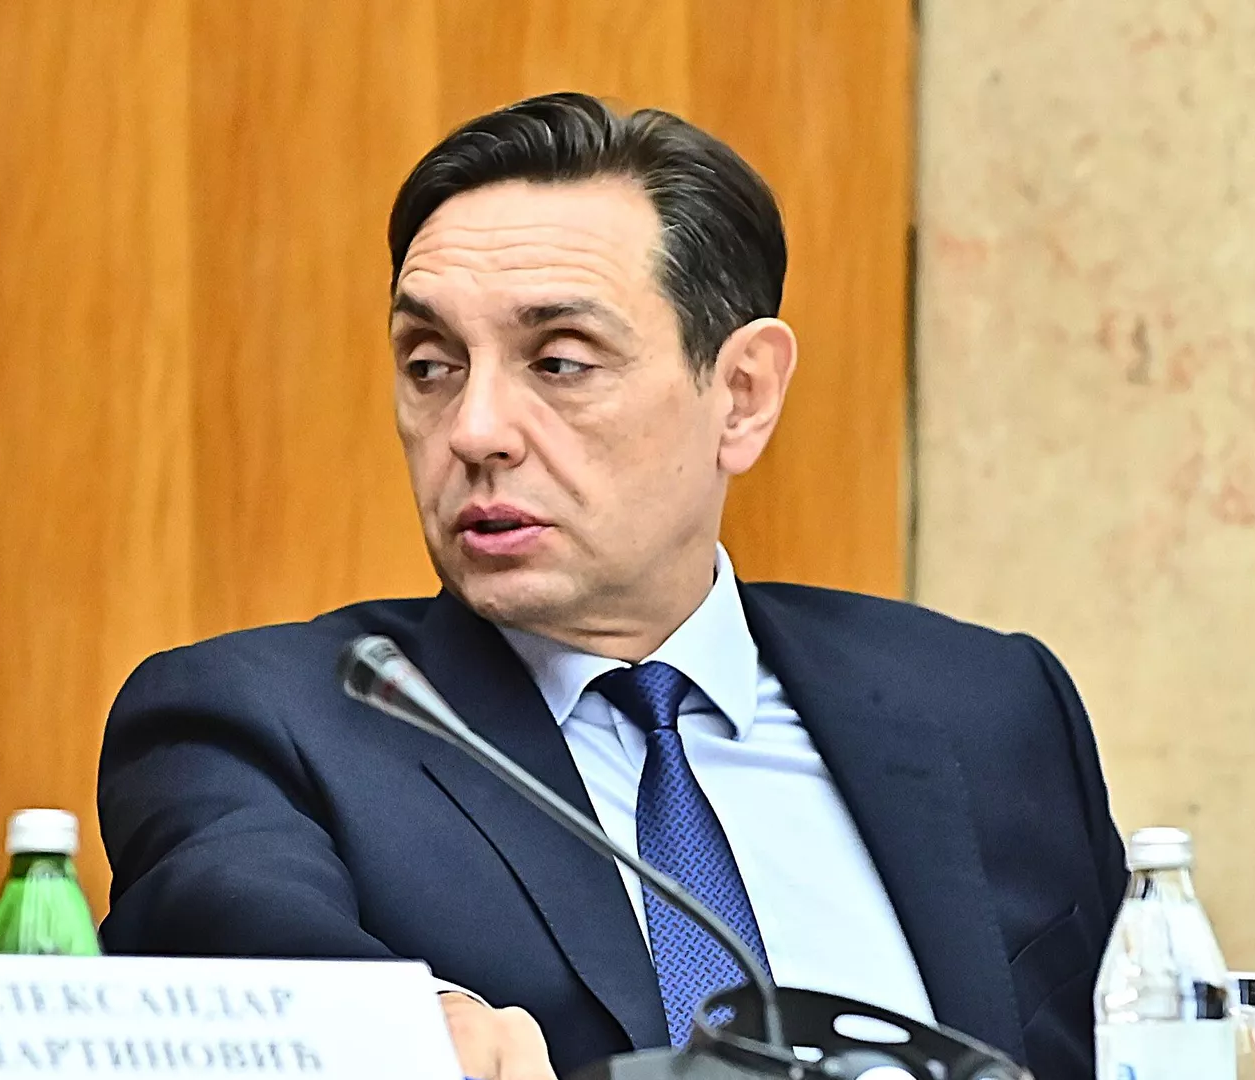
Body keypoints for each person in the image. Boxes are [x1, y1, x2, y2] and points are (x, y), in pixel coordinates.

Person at [98, 92, 1126, 1079]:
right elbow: (235, 925)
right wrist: (410, 1023)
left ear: (741, 395)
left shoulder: (989, 705)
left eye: (559, 362)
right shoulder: (260, 722)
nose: (475, 431)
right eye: (431, 365)